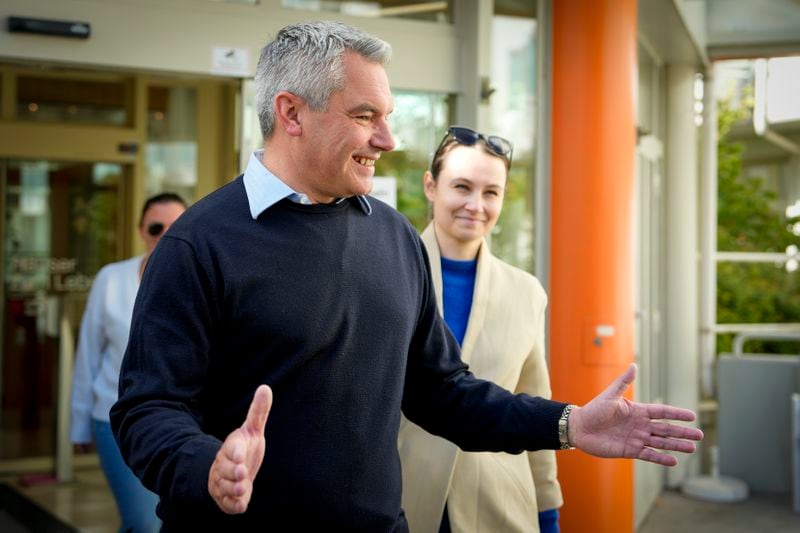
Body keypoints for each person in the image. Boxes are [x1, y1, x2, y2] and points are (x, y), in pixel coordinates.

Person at [110, 21, 702, 532]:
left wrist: (567, 423)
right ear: (291, 112)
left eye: (387, 117)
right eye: (365, 116)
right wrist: (205, 464)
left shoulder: (391, 236)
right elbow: (146, 409)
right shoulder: (197, 244)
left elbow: (444, 393)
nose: (387, 141)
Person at [398, 127, 562, 533]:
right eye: (462, 187)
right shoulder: (387, 276)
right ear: (431, 186)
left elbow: (533, 400)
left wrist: (548, 511)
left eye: (492, 192)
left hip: (498, 504)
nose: (476, 205)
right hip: (402, 497)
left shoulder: (526, 293)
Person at [70, 192, 186, 533]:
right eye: (155, 227)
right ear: (140, 231)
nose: (164, 235)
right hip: (114, 421)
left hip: (180, 426)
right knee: (143, 522)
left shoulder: (199, 279)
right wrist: (79, 423)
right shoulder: (111, 279)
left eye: (175, 226)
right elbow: (88, 354)